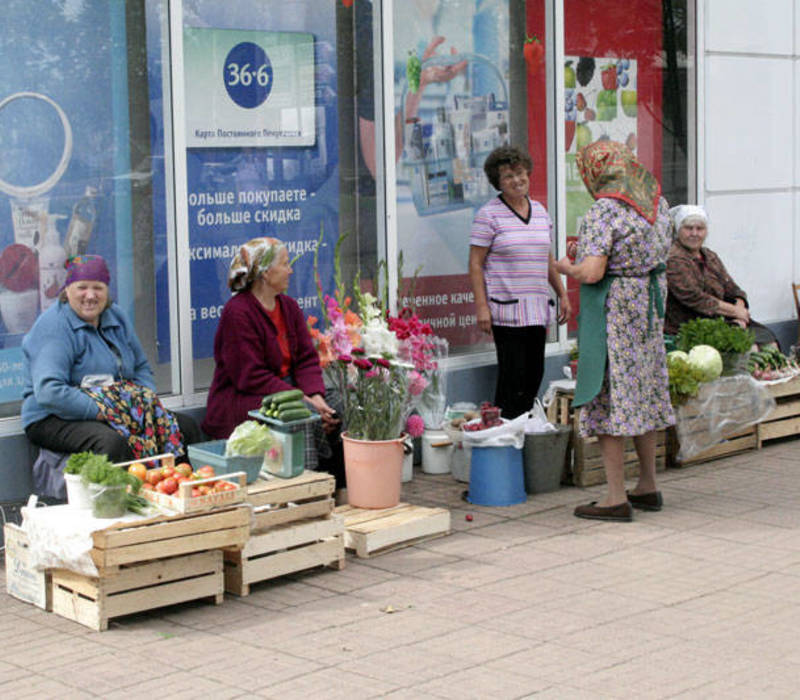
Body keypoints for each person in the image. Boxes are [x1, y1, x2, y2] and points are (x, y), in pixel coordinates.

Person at [556, 140, 675, 522]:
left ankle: (613, 496)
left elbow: (592, 272)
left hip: (617, 307)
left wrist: (564, 267)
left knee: (610, 393)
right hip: (650, 303)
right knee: (643, 390)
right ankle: (648, 485)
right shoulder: (657, 201)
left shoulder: (604, 210)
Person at [22, 255, 201, 464]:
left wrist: (142, 402)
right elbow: (49, 392)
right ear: (67, 290)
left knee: (184, 427)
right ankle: (123, 496)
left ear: (107, 290)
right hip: (53, 416)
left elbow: (141, 366)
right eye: (82, 287)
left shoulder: (116, 316)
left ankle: (179, 490)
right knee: (111, 442)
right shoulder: (54, 326)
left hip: (118, 407)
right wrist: (103, 411)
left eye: (98, 287)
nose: (90, 295)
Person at [201, 238, 343, 483]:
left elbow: (306, 361)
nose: (291, 270)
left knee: (340, 403)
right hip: (245, 397)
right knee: (299, 414)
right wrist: (304, 400)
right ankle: (304, 488)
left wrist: (317, 397)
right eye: (285, 264)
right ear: (265, 273)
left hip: (289, 389)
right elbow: (250, 376)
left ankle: (339, 485)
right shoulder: (238, 313)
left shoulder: (288, 306)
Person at [469, 145, 572, 420]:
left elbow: (546, 258)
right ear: (498, 183)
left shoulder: (539, 211)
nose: (516, 180)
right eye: (507, 176)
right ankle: (504, 438)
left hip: (537, 310)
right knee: (512, 379)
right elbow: (476, 264)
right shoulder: (488, 215)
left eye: (519, 173)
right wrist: (482, 307)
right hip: (507, 311)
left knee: (533, 376)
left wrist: (562, 293)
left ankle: (524, 435)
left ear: (528, 173)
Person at [664, 204, 778, 347]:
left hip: (724, 319)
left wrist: (740, 312)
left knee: (770, 343)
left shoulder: (709, 255)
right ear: (678, 230)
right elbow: (695, 298)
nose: (694, 233)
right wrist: (735, 312)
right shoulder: (674, 259)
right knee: (750, 350)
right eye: (688, 228)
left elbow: (733, 288)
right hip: (691, 326)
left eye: (700, 229)